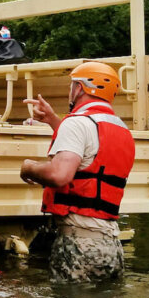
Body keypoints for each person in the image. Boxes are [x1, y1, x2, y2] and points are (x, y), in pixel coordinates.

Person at [19, 62, 136, 283]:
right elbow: (90, 156)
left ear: (80, 88)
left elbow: (59, 175)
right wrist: (54, 121)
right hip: (111, 244)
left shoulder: (78, 124)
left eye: (72, 85)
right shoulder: (121, 129)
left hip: (79, 244)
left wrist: (28, 167)